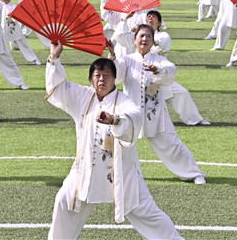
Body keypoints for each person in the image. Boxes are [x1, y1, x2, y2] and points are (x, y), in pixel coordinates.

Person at [45, 42, 183, 240]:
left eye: (107, 75)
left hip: (121, 172)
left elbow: (135, 117)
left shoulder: (124, 101)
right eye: (97, 76)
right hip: (85, 170)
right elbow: (58, 88)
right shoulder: (82, 96)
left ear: (114, 79)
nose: (102, 79)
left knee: (148, 213)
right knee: (63, 201)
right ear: (91, 79)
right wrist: (54, 59)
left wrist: (115, 120)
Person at [110, 24, 206, 183]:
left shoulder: (159, 60)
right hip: (131, 114)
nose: (144, 39)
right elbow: (116, 77)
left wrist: (156, 70)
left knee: (173, 144)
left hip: (156, 113)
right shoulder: (127, 60)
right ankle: (110, 176)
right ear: (134, 40)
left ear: (153, 41)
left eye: (148, 36)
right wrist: (112, 56)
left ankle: (194, 173)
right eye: (141, 36)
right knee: (116, 143)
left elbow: (171, 71)